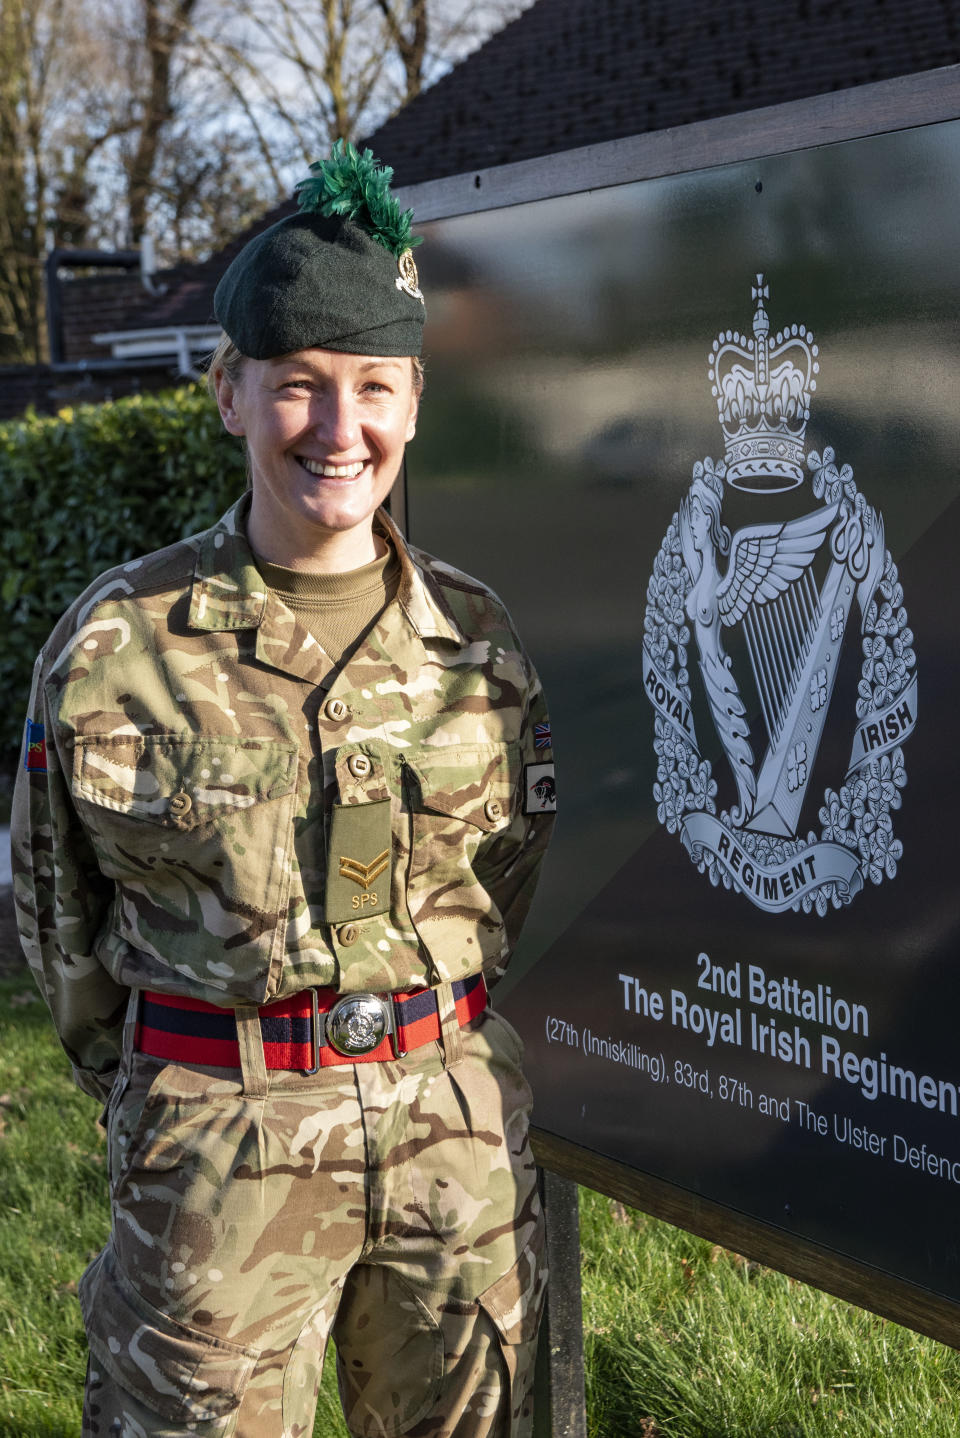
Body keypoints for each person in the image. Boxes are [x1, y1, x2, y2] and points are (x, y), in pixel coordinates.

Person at [11, 141, 557, 1438]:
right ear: (229, 393)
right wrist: (177, 1090)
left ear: (415, 400)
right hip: (218, 1172)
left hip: (455, 1161)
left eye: (371, 386)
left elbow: (512, 875)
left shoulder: (480, 642)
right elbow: (55, 915)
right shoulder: (118, 647)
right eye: (299, 386)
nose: (338, 426)